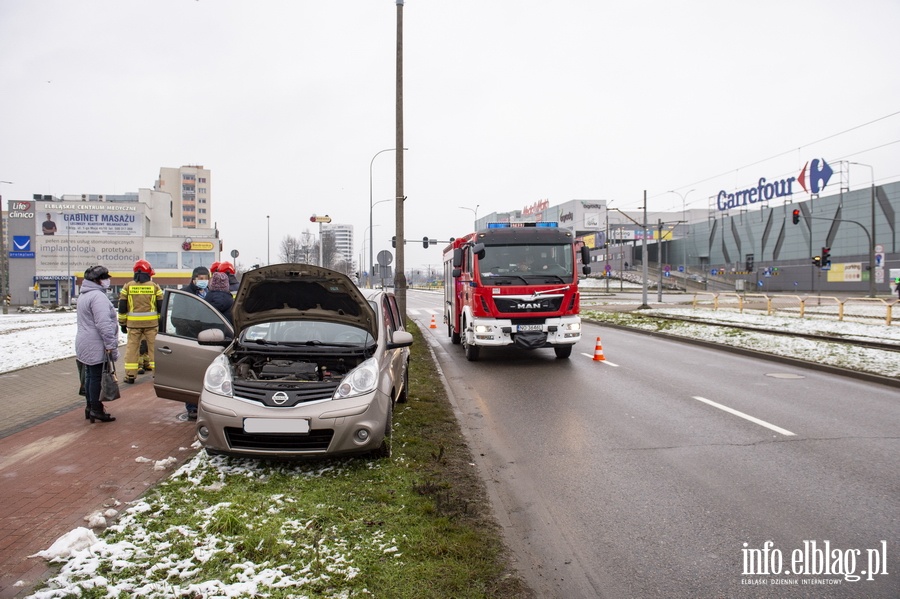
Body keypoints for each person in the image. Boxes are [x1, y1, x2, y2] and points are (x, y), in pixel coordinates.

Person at [75, 265, 118, 423]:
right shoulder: (97, 297)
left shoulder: (84, 295)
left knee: (89, 375)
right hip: (95, 342)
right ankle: (96, 409)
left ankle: (90, 407)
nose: (107, 281)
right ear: (96, 280)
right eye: (105, 278)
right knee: (95, 377)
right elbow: (103, 324)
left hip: (85, 341)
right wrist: (110, 345)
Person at [118, 259, 163, 384]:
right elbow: (161, 306)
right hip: (152, 324)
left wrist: (122, 323)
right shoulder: (155, 287)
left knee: (132, 349)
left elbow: (122, 306)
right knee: (154, 349)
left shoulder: (128, 286)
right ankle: (157, 374)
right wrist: (161, 321)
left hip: (133, 325)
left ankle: (130, 375)